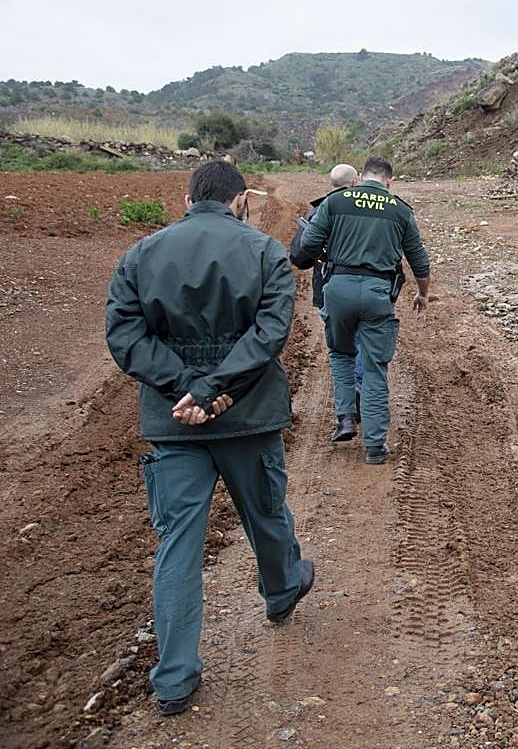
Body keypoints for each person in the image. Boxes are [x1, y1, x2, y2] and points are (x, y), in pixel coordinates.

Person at [106, 161, 314, 716]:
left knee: (177, 544)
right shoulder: (266, 252)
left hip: (174, 424)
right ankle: (282, 590)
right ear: (240, 199)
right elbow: (271, 332)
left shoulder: (141, 254)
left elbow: (124, 335)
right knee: (266, 515)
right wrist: (213, 389)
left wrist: (186, 389)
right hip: (246, 415)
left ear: (187, 197)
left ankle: (174, 679)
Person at [294, 157, 430, 464]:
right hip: (377, 292)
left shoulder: (336, 201)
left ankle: (345, 417)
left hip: (338, 289)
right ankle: (374, 446)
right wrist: (422, 294)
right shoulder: (399, 209)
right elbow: (419, 260)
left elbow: (308, 245)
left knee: (341, 354)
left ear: (361, 177)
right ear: (389, 182)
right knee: (374, 368)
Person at [290, 164, 365, 429]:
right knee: (364, 342)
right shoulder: (369, 209)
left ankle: (348, 403)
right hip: (368, 288)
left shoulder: (318, 211)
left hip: (330, 291)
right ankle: (360, 389)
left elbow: (299, 257)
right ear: (355, 181)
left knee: (341, 348)